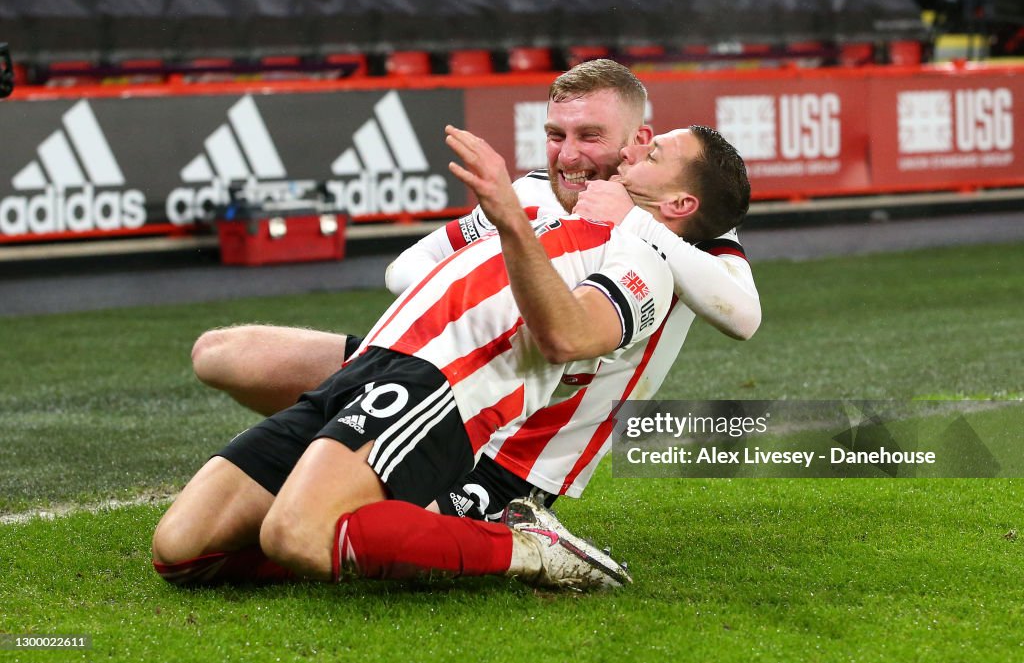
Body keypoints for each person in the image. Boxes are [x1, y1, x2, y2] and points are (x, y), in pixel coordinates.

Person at [152, 121, 750, 591]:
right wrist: (511, 215)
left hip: (441, 386)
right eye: (557, 134)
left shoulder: (646, 259)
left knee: (296, 533)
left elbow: (571, 336)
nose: (622, 157)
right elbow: (407, 270)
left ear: (677, 204)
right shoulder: (545, 198)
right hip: (377, 358)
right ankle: (366, 533)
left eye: (648, 156)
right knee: (182, 552)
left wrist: (512, 218)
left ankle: (524, 546)